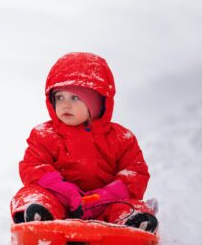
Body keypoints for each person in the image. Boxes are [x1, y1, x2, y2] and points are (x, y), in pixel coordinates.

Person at [10, 52, 158, 233]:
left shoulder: (121, 138)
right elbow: (33, 167)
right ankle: (38, 216)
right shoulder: (44, 134)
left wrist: (106, 195)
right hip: (61, 200)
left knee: (129, 204)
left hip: (108, 203)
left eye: (75, 98)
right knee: (31, 194)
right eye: (59, 97)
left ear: (97, 102)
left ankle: (132, 222)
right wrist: (64, 190)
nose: (65, 105)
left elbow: (135, 172)